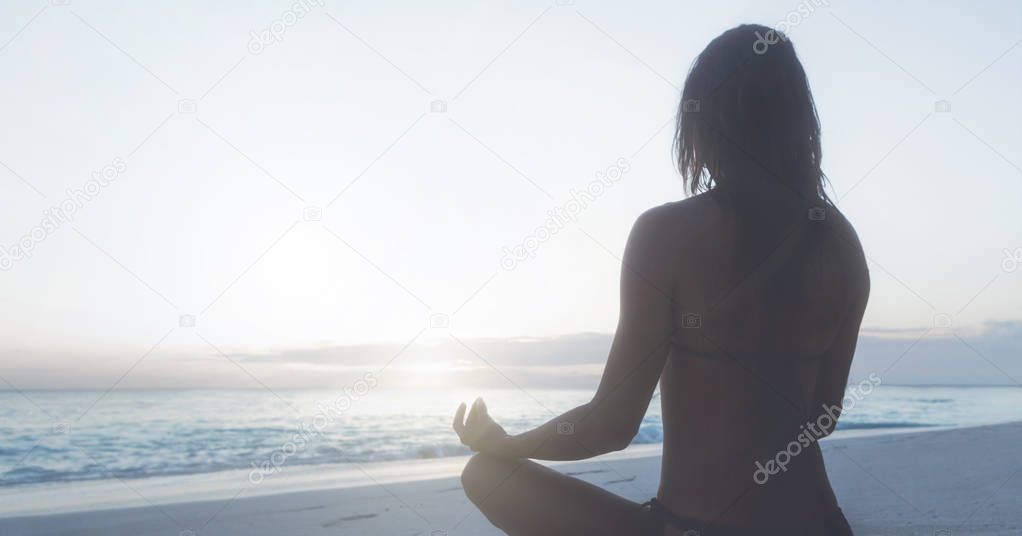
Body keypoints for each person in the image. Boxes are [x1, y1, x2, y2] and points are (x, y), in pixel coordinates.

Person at [453, 23, 869, 535]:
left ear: (704, 121)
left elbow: (610, 427)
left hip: (694, 528)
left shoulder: (667, 234)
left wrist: (506, 445)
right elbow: (824, 414)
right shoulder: (840, 245)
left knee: (486, 476)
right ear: (800, 121)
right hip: (820, 525)